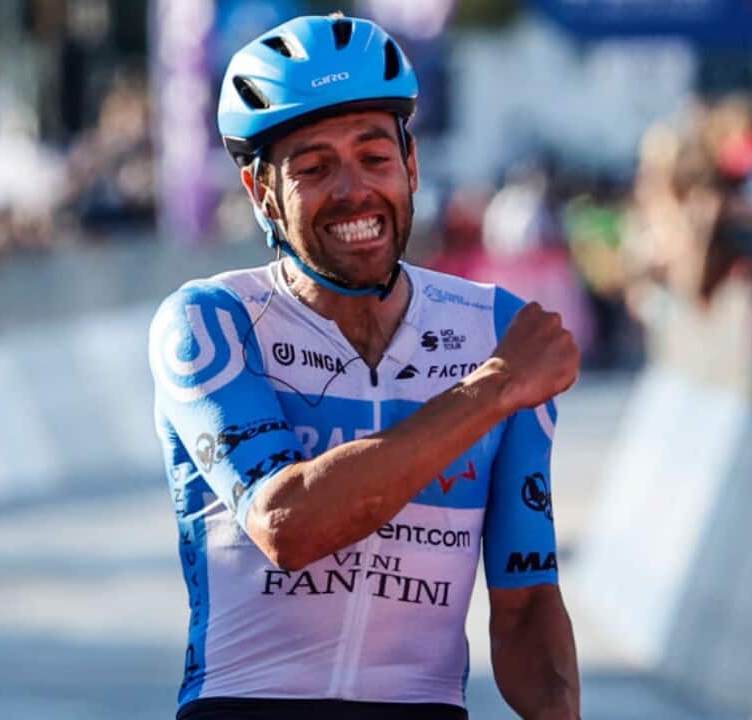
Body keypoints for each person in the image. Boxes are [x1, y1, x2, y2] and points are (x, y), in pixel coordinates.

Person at [147, 14, 581, 720]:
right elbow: (289, 524)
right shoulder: (212, 323)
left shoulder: (496, 329)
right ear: (262, 195)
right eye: (314, 168)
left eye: (375, 158)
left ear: (410, 167)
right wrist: (493, 389)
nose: (353, 191)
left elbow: (526, 600)